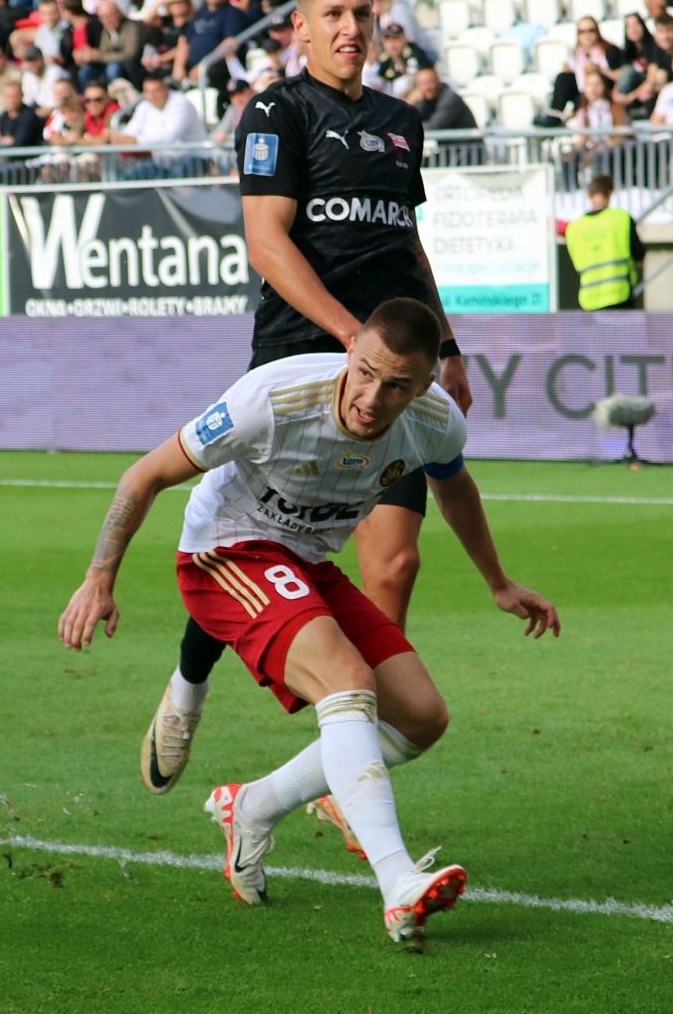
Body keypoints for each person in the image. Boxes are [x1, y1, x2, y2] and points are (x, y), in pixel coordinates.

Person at [58, 297, 558, 942]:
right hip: (226, 551)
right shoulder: (272, 399)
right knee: (348, 681)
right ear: (350, 352)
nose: (372, 398)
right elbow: (146, 474)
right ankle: (397, 882)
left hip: (308, 562)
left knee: (420, 719)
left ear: (424, 386)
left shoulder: (436, 421)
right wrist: (99, 578)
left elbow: (455, 486)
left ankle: (253, 806)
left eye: (397, 385)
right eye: (366, 372)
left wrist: (499, 582)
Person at [141, 0, 476, 801]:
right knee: (252, 540)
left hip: (387, 381)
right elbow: (266, 242)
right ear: (301, 26)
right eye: (333, 14)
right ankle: (188, 685)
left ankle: (350, 761)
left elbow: (408, 245)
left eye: (362, 13)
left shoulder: (402, 122)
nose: (350, 28)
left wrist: (447, 346)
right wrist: (347, 335)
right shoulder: (278, 111)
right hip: (300, 365)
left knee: (395, 564)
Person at [565, 175, 646, 311]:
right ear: (610, 192)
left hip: (589, 299)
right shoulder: (622, 218)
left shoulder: (574, 227)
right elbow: (640, 257)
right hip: (620, 296)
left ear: (589, 194)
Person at [407, 66, 478, 130]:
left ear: (438, 81)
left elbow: (434, 127)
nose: (427, 87)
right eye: (422, 84)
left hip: (464, 140)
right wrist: (410, 103)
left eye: (430, 82)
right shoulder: (426, 99)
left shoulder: (450, 98)